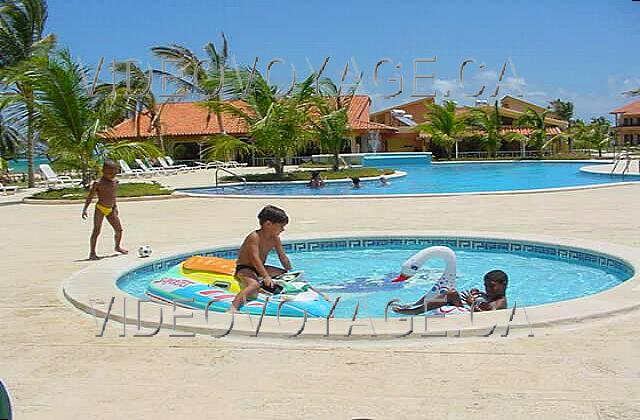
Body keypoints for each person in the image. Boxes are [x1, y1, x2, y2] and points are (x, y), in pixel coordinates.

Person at [230, 205, 293, 311]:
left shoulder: (275, 238)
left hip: (260, 267)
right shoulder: (254, 237)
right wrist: (266, 276)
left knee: (284, 274)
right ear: (268, 224)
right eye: (281, 226)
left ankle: (264, 287)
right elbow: (254, 258)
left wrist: (290, 271)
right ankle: (233, 307)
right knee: (254, 285)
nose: (283, 229)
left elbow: (282, 257)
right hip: (246, 268)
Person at [392, 269, 508, 315]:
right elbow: (485, 301)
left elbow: (488, 316)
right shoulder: (491, 294)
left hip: (471, 315)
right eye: (486, 286)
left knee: (451, 294)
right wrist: (479, 294)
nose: (488, 289)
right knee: (447, 291)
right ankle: (415, 305)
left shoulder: (500, 302)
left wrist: (471, 303)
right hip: (466, 309)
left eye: (491, 286)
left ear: (503, 284)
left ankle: (415, 311)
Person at [82, 160, 128, 260]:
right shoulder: (98, 183)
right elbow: (90, 197)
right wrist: (85, 209)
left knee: (119, 230)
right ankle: (92, 253)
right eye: (109, 173)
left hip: (110, 209)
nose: (112, 175)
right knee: (96, 230)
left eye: (114, 173)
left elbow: (113, 196)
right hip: (100, 208)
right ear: (103, 171)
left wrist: (115, 207)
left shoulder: (115, 181)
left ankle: (117, 247)